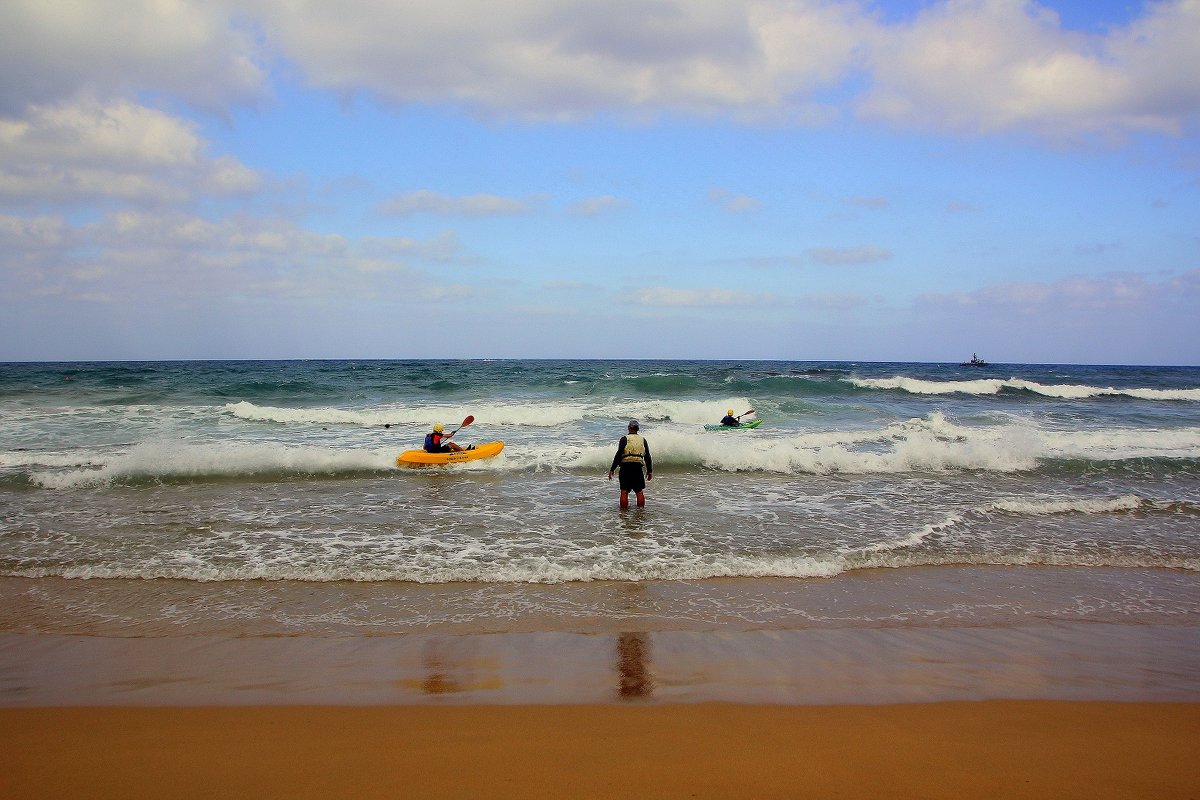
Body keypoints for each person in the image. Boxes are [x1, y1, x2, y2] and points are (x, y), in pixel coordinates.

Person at [608, 419, 652, 509]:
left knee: (624, 491)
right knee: (639, 491)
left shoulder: (624, 439)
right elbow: (647, 456)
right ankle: (640, 511)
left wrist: (612, 469)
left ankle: (623, 512)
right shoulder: (643, 440)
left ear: (629, 428)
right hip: (637, 468)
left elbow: (619, 454)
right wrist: (649, 471)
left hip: (625, 467)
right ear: (637, 429)